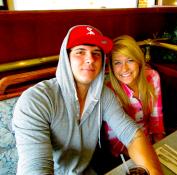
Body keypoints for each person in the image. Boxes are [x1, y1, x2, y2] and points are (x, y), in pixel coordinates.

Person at [12, 25, 163, 175]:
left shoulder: (104, 95)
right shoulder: (35, 101)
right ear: (66, 57)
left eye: (96, 53)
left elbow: (132, 135)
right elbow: (36, 166)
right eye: (80, 52)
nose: (90, 59)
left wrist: (156, 173)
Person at [103, 35, 165, 159]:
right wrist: (144, 158)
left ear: (138, 60)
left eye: (130, 60)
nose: (124, 68)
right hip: (125, 153)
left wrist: (160, 147)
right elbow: (114, 139)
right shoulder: (109, 92)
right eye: (117, 63)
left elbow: (156, 119)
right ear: (112, 67)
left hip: (150, 143)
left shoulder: (152, 77)